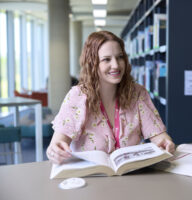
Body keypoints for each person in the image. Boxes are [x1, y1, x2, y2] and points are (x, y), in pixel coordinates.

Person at [47, 31, 175, 164]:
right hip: (92, 179)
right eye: (106, 59)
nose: (116, 65)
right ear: (92, 63)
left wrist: (166, 143)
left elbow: (159, 136)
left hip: (132, 176)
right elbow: (57, 144)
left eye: (119, 57)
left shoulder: (137, 93)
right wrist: (54, 152)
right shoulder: (77, 96)